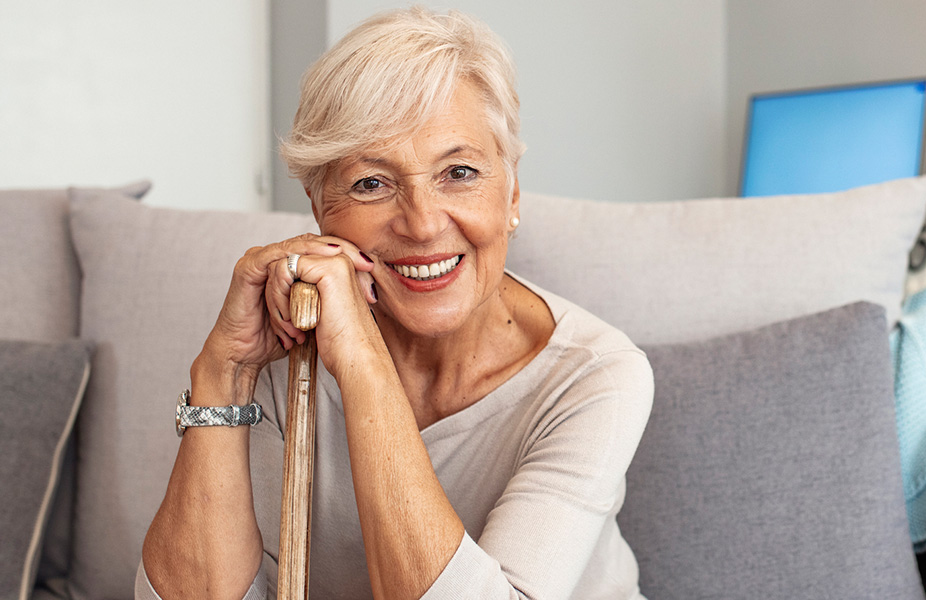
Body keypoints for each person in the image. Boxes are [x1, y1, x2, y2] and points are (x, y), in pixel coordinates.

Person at [136, 7, 653, 599]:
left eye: (458, 172)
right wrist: (224, 373)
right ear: (318, 207)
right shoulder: (283, 339)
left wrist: (361, 364)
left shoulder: (596, 376)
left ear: (511, 193)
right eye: (371, 184)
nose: (424, 224)